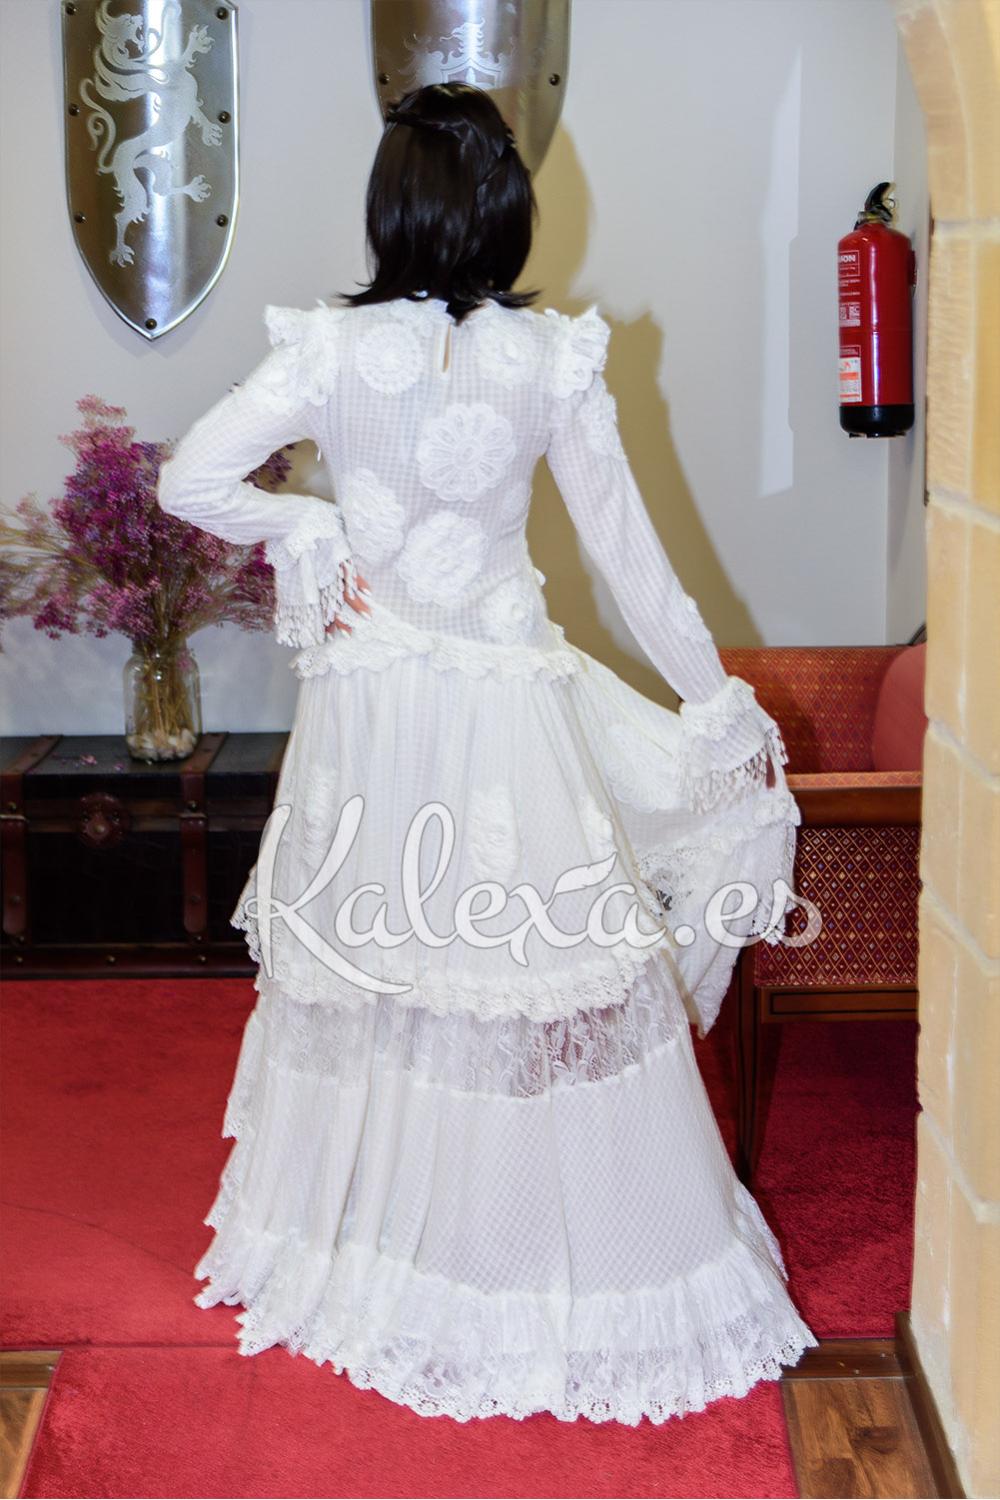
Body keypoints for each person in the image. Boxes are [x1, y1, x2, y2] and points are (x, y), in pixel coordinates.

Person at [156, 80, 818, 1425]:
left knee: (388, 975)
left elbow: (190, 479)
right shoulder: (549, 361)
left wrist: (304, 525)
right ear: (505, 212)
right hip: (504, 718)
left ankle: (377, 1246)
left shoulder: (324, 352)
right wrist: (717, 706)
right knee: (520, 976)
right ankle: (514, 1255)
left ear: (389, 208)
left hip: (371, 722)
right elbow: (631, 560)